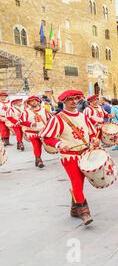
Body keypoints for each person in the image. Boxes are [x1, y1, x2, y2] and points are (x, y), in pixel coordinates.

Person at [40, 90, 100, 226]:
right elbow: (47, 137)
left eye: (76, 99)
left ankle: (74, 209)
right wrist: (60, 144)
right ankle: (84, 212)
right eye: (70, 99)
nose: (74, 102)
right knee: (77, 182)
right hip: (69, 157)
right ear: (64, 101)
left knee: (80, 183)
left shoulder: (83, 116)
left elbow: (92, 133)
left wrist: (94, 139)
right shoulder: (58, 118)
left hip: (85, 154)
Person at [20, 96, 52, 168]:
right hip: (32, 132)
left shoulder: (44, 110)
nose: (34, 102)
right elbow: (21, 121)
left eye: (36, 101)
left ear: (38, 102)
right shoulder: (25, 111)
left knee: (41, 145)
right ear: (29, 102)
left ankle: (37, 158)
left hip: (43, 131)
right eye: (32, 101)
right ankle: (39, 159)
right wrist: (31, 124)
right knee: (36, 145)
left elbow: (50, 119)